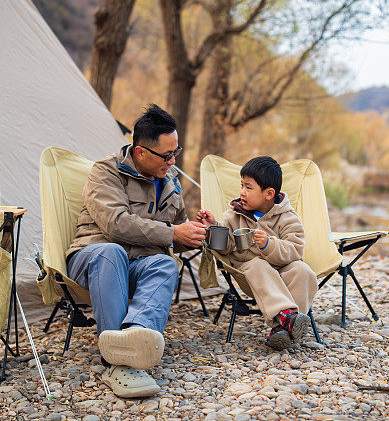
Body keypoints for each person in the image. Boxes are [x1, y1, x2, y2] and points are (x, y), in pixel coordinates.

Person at [67, 104, 206, 398]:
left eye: (176, 152)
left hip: (137, 264)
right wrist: (172, 233)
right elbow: (116, 225)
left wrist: (193, 231)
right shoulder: (106, 172)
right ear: (141, 152)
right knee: (112, 252)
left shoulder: (170, 183)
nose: (172, 161)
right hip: (93, 258)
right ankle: (115, 363)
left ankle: (135, 335)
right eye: (167, 155)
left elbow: (176, 234)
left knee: (166, 264)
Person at [197, 156, 317, 350]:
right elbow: (224, 247)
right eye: (242, 185)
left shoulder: (288, 217)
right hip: (251, 277)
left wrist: (269, 245)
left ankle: (282, 331)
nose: (242, 192)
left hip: (283, 273)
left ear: (269, 194)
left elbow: (295, 250)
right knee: (257, 264)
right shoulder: (234, 215)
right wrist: (213, 228)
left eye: (248, 187)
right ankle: (287, 318)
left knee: (303, 271)